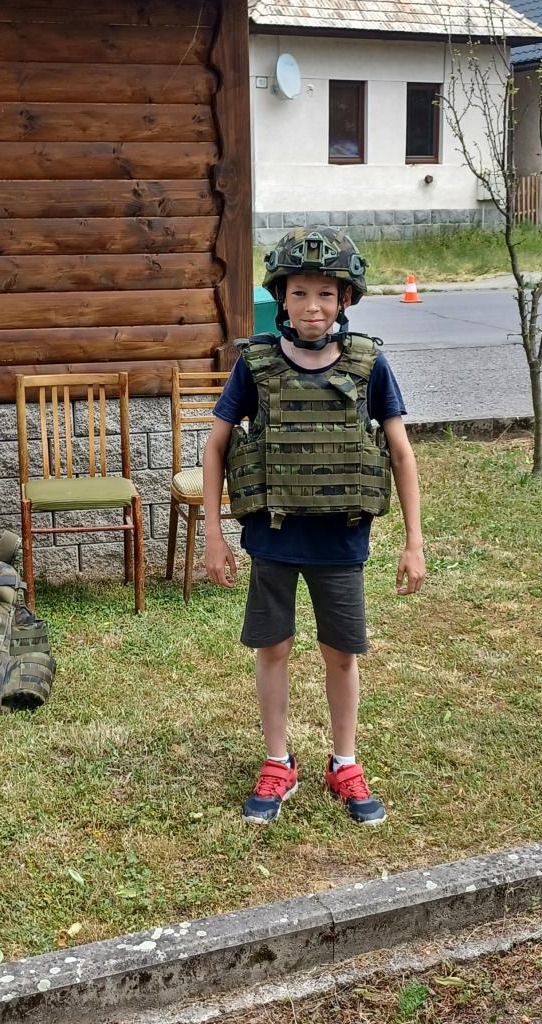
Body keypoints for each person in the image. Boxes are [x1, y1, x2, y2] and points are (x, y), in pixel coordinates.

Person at [202, 227, 425, 826]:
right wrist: (213, 536)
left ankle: (344, 763)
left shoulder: (370, 365)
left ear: (345, 298)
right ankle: (278, 762)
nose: (312, 307)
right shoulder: (255, 366)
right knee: (272, 648)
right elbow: (216, 447)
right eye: (299, 293)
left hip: (341, 541)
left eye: (326, 293)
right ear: (281, 296)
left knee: (341, 654)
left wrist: (414, 542)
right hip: (273, 539)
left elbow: (401, 453)